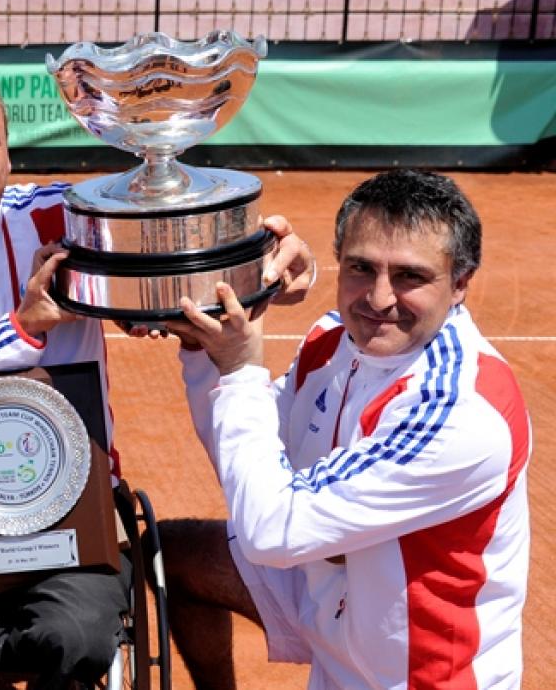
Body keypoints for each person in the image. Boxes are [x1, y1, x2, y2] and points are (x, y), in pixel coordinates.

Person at [0, 55, 317, 689]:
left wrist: (270, 263)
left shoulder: (73, 222)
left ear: (7, 153)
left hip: (70, 519)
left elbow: (192, 264)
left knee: (73, 641)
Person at [162, 170, 531, 689]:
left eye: (410, 277)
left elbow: (271, 529)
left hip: (420, 679)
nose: (379, 299)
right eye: (361, 268)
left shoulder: (460, 410)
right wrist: (208, 347)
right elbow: (247, 463)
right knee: (175, 555)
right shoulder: (331, 342)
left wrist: (241, 370)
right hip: (336, 619)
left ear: (461, 283)